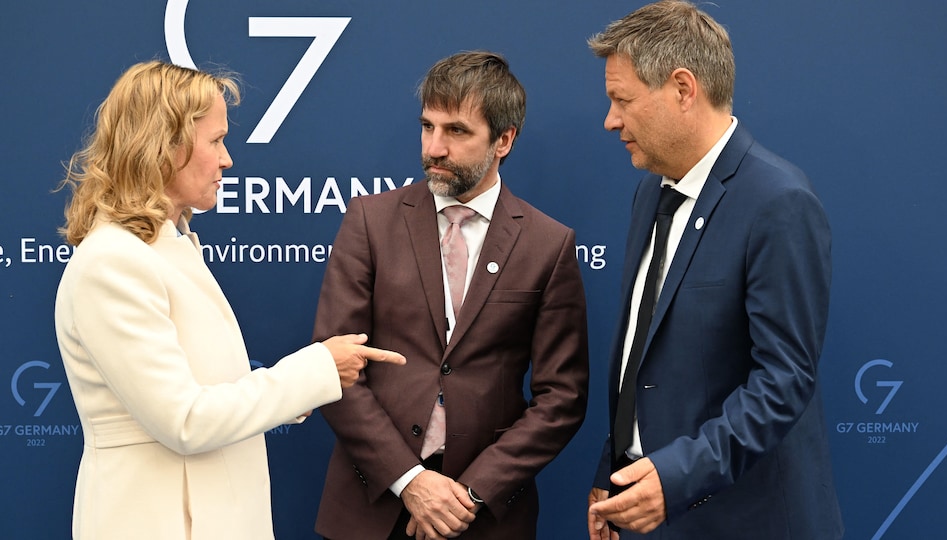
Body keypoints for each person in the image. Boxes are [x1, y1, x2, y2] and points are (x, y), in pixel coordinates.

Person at [54, 60, 405, 540]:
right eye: (215, 141)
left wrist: (315, 374)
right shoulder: (114, 263)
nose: (228, 160)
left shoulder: (165, 247)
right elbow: (185, 420)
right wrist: (317, 370)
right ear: (163, 145)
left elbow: (211, 393)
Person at [584, 2, 843, 539]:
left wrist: (676, 478)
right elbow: (643, 350)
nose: (610, 120)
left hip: (744, 521)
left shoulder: (778, 201)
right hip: (648, 509)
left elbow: (784, 380)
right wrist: (614, 473)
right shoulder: (649, 191)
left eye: (622, 100)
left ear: (683, 89)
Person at [311, 51, 590, 539]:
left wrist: (472, 493)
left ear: (504, 140)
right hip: (371, 506)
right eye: (427, 126)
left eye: (456, 131)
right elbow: (333, 370)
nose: (434, 148)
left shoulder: (549, 244)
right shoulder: (369, 222)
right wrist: (411, 481)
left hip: (482, 518)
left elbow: (561, 397)